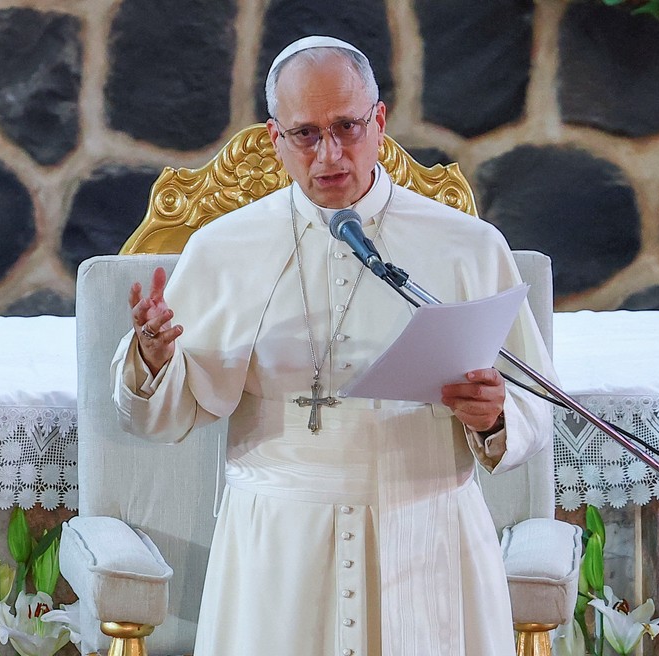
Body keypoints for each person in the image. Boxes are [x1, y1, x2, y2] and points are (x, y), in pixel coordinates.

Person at [112, 35, 555, 656]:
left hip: (427, 529)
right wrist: (155, 359)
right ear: (275, 138)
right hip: (279, 545)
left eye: (347, 126)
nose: (330, 153)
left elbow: (537, 400)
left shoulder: (469, 246)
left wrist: (496, 416)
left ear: (379, 122)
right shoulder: (223, 248)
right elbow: (162, 416)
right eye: (305, 134)